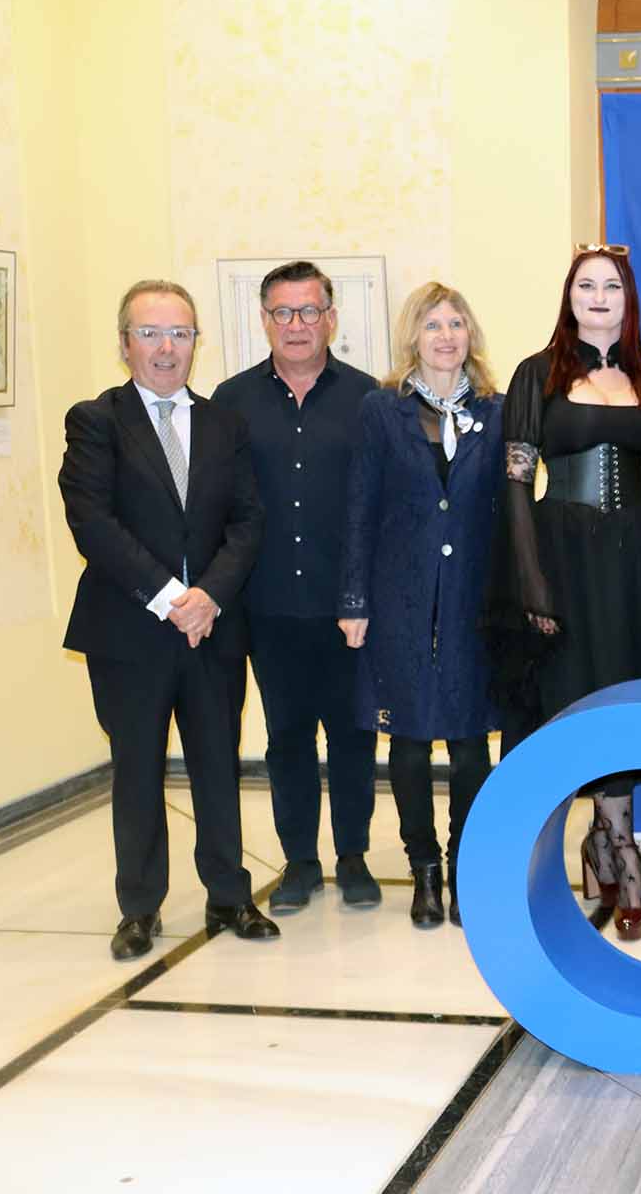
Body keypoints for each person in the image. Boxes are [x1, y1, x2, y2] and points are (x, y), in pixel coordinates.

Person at [489, 245, 641, 942]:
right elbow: (517, 485)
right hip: (565, 555)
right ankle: (625, 854)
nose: (598, 296)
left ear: (629, 298)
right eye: (585, 285)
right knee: (578, 701)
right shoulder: (536, 375)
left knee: (628, 702)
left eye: (610, 285)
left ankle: (602, 842)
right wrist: (530, 577)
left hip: (640, 559)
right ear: (569, 296)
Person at [59, 279, 275, 960]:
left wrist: (207, 595)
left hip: (213, 629)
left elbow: (247, 519)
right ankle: (140, 908)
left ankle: (230, 897)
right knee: (138, 770)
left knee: (217, 765)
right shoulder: (96, 421)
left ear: (195, 343)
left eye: (179, 333)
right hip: (129, 632)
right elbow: (93, 522)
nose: (166, 348)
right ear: (124, 343)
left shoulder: (224, 424)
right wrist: (168, 597)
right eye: (150, 333)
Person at [213, 261, 382, 915]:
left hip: (348, 610)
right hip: (268, 605)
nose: (296, 325)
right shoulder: (230, 402)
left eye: (309, 311)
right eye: (282, 312)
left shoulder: (370, 399)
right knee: (285, 739)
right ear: (264, 321)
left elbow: (381, 508)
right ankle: (301, 864)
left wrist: (365, 597)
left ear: (330, 317)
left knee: (351, 736)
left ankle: (354, 859)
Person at [338, 283, 502, 930]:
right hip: (398, 600)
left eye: (457, 323)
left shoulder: (497, 409)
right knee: (407, 743)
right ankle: (424, 870)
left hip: (473, 599)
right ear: (414, 338)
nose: (446, 335)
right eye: (433, 325)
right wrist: (353, 600)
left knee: (468, 745)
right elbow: (358, 509)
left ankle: (465, 868)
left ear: (470, 335)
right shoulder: (382, 411)